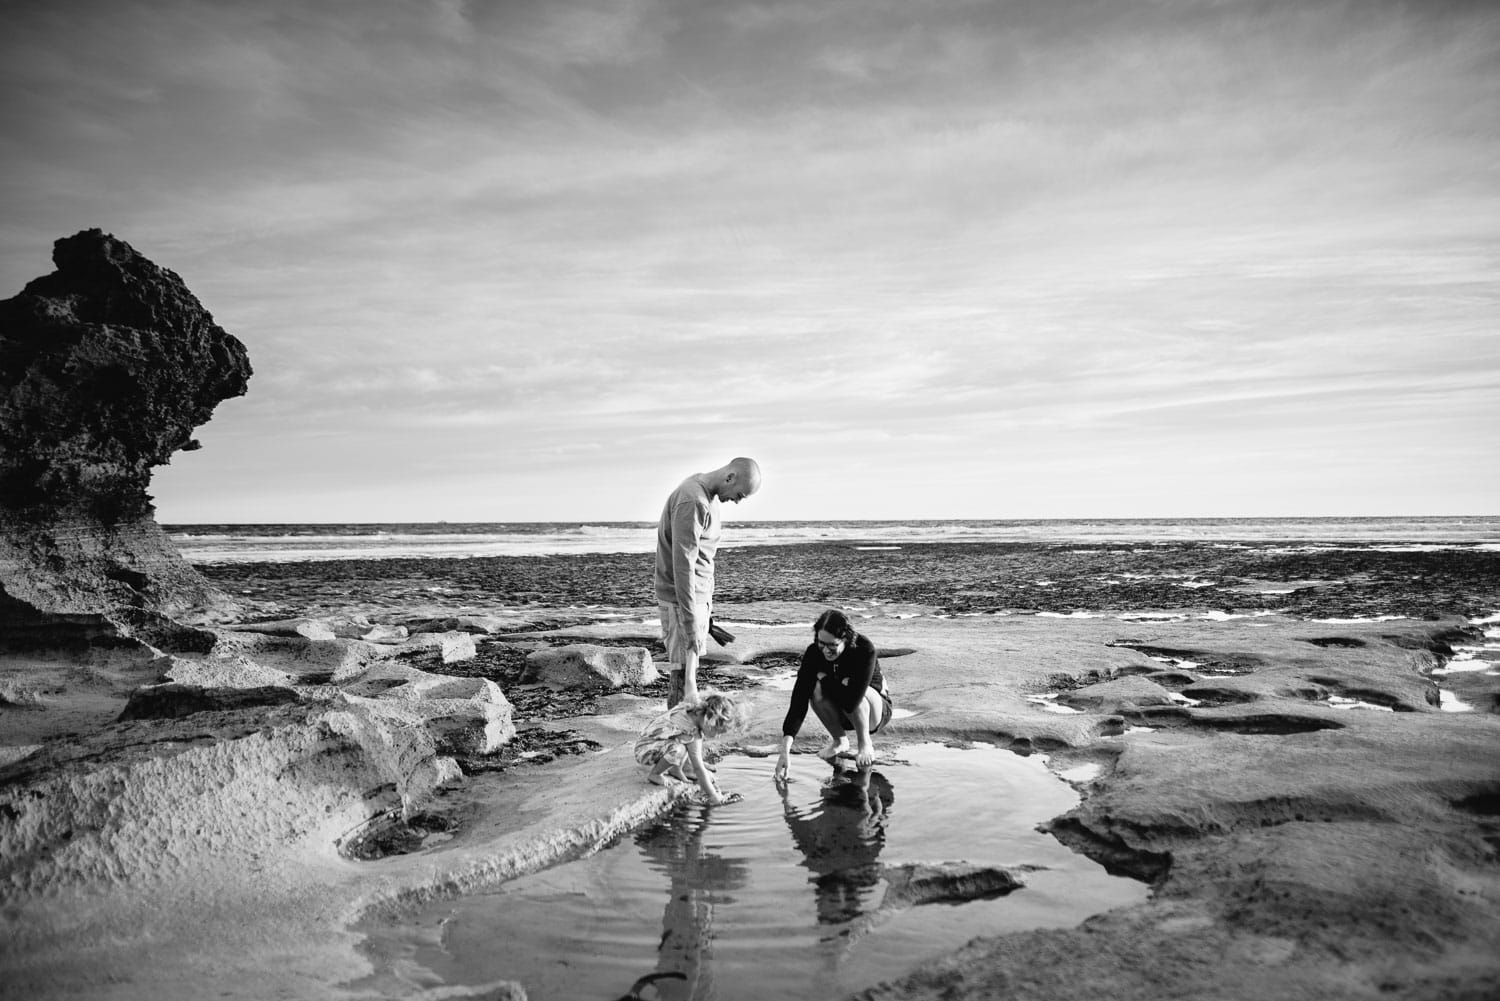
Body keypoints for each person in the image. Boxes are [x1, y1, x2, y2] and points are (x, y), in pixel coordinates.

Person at [655, 457, 762, 708]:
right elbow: (683, 565)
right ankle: (678, 740)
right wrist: (691, 620)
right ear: (730, 477)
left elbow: (702, 558)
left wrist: (706, 611)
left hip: (695, 600)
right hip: (681, 601)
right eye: (739, 495)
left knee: (688, 677)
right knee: (682, 679)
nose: (736, 501)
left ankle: (685, 741)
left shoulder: (706, 495)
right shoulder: (693, 499)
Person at [773, 609, 892, 783]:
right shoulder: (814, 653)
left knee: (849, 685)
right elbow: (799, 700)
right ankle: (839, 741)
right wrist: (785, 749)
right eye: (821, 643)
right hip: (843, 709)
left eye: (832, 645)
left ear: (846, 639)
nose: (826, 650)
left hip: (875, 712)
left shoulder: (864, 650)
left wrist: (825, 678)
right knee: (814, 690)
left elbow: (852, 702)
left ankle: (864, 744)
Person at [634, 690, 747, 805]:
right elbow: (698, 768)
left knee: (682, 746)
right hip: (645, 751)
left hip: (649, 744)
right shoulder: (691, 731)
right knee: (677, 749)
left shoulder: (691, 708)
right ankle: (655, 774)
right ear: (710, 719)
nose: (717, 736)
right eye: (718, 731)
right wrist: (713, 795)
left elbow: (690, 684)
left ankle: (676, 770)